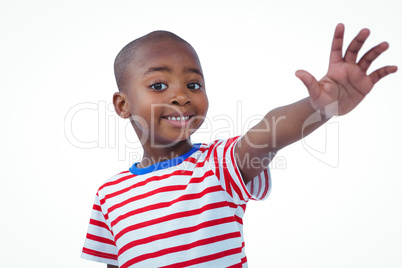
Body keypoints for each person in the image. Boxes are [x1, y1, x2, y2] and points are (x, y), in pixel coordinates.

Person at [81, 24, 397, 268]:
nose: (181, 96)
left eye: (193, 85)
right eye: (159, 85)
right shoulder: (109, 194)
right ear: (122, 105)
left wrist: (322, 107)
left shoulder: (218, 164)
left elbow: (268, 133)